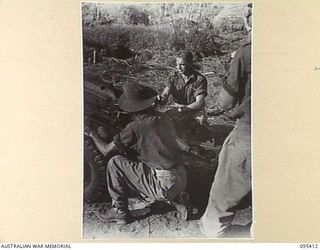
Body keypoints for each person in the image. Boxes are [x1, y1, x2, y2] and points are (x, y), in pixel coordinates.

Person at [85, 82, 187, 225]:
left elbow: (106, 150)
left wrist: (92, 133)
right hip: (181, 177)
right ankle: (169, 197)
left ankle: (120, 212)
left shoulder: (134, 128)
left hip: (164, 184)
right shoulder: (162, 117)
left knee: (115, 163)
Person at [199, 4, 252, 238]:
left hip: (250, 132)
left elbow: (224, 103)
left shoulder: (247, 53)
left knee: (224, 188)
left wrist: (230, 74)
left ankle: (213, 231)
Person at [160, 50, 208, 141]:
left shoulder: (200, 79)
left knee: (200, 121)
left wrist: (182, 109)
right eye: (177, 64)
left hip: (194, 109)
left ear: (190, 63)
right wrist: (161, 98)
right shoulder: (173, 77)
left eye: (182, 64)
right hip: (178, 108)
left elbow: (199, 103)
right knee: (166, 123)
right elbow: (166, 93)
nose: (179, 67)